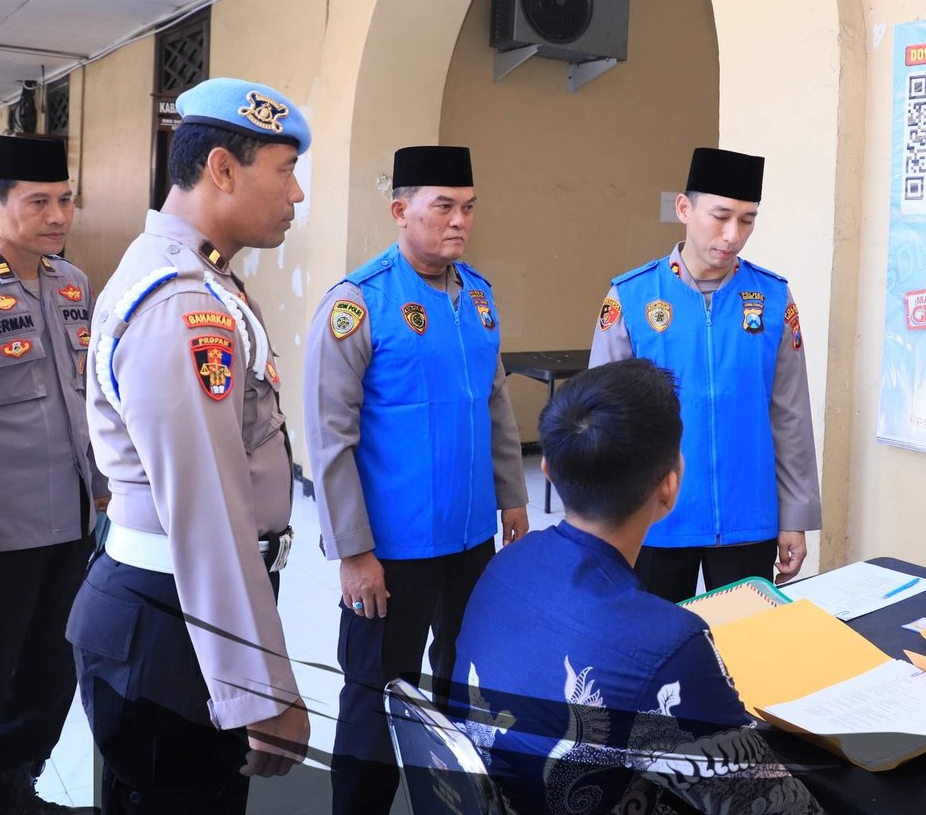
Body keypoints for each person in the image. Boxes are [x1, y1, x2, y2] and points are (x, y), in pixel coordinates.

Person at [68, 78, 311, 812]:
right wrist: (259, 689)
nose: (296, 194)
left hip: (179, 610)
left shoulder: (201, 278)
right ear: (223, 170)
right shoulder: (183, 303)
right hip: (171, 617)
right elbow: (208, 515)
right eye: (285, 171)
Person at [454, 358, 825, 815]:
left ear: (547, 468)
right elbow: (778, 806)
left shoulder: (504, 566)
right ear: (669, 487)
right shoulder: (668, 643)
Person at [306, 144, 529, 815]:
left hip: (470, 538)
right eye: (444, 207)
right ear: (400, 211)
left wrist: (512, 497)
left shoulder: (478, 296)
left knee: (465, 682)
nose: (460, 221)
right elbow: (330, 439)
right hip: (392, 550)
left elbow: (494, 402)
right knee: (377, 693)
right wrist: (353, 553)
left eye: (469, 208)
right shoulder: (360, 302)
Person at [588, 148, 820, 602]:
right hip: (654, 520)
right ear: (684, 209)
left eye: (747, 220)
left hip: (748, 519)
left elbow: (790, 415)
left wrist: (795, 515)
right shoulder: (632, 298)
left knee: (746, 642)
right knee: (653, 640)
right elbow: (603, 421)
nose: (733, 235)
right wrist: (605, 520)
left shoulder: (773, 299)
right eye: (720, 216)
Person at [0, 135, 106, 815]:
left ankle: (16, 786)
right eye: (39, 202)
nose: (58, 216)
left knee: (52, 671)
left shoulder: (72, 283)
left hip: (71, 523)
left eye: (65, 200)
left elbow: (85, 397)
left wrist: (102, 486)